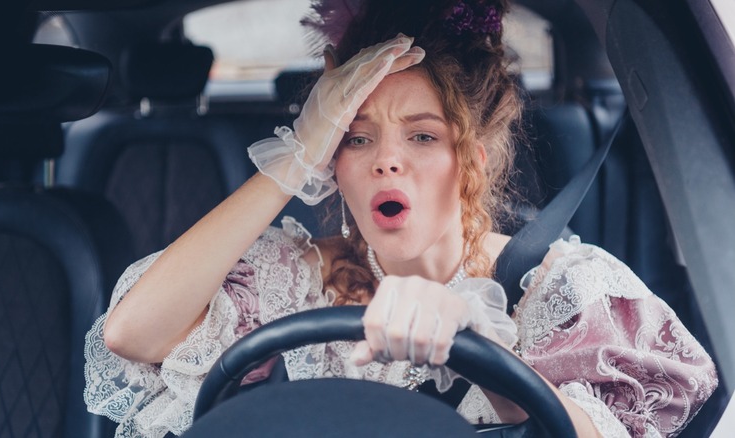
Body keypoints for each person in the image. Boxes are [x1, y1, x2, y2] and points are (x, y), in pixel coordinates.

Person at [84, 0, 718, 436]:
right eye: (356, 139)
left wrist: (481, 349)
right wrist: (297, 153)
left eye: (421, 137)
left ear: (468, 158)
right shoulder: (293, 276)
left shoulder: (565, 292)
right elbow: (130, 334)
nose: (387, 161)